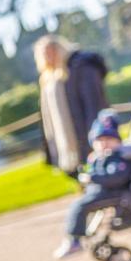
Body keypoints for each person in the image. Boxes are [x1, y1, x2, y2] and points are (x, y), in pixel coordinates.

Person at [54, 111, 131, 258]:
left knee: (79, 206)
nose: (104, 144)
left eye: (109, 139)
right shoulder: (100, 157)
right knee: (81, 205)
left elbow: (117, 177)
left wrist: (92, 177)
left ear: (118, 141)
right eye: (100, 140)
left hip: (115, 193)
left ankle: (75, 239)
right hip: (102, 192)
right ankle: (82, 236)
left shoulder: (118, 157)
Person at [35, 35, 108, 175]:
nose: (49, 57)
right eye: (45, 54)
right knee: (78, 172)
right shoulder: (48, 78)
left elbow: (93, 103)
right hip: (62, 134)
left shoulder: (79, 67)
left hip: (85, 131)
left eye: (52, 51)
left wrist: (95, 133)